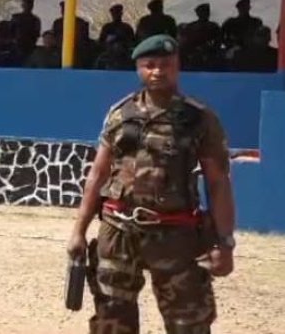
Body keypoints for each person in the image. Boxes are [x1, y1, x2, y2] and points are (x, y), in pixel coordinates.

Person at [67, 34, 236, 334]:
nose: (158, 71)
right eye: (150, 65)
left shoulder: (198, 118)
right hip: (118, 232)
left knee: (189, 323)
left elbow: (218, 182)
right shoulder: (120, 113)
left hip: (176, 236)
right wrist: (78, 231)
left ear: (177, 66)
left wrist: (225, 243)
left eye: (166, 64)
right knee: (112, 321)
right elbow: (98, 174)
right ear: (138, 69)